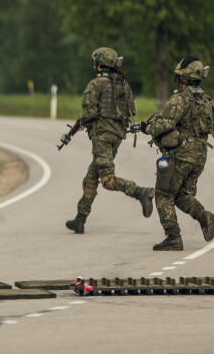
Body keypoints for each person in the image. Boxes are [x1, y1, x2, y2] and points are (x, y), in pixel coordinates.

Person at [66, 47, 154, 234]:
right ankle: (80, 219)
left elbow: (89, 113)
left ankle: (140, 192)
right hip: (117, 136)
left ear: (99, 64)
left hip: (102, 137)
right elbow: (132, 110)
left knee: (107, 179)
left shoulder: (95, 84)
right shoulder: (124, 85)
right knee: (92, 175)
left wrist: (84, 122)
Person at [141, 55, 214, 251]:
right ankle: (203, 215)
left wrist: (145, 127)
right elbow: (213, 125)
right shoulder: (207, 101)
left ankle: (173, 237)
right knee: (182, 194)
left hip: (181, 155)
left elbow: (163, 124)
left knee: (164, 195)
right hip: (200, 157)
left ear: (183, 78)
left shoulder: (180, 99)